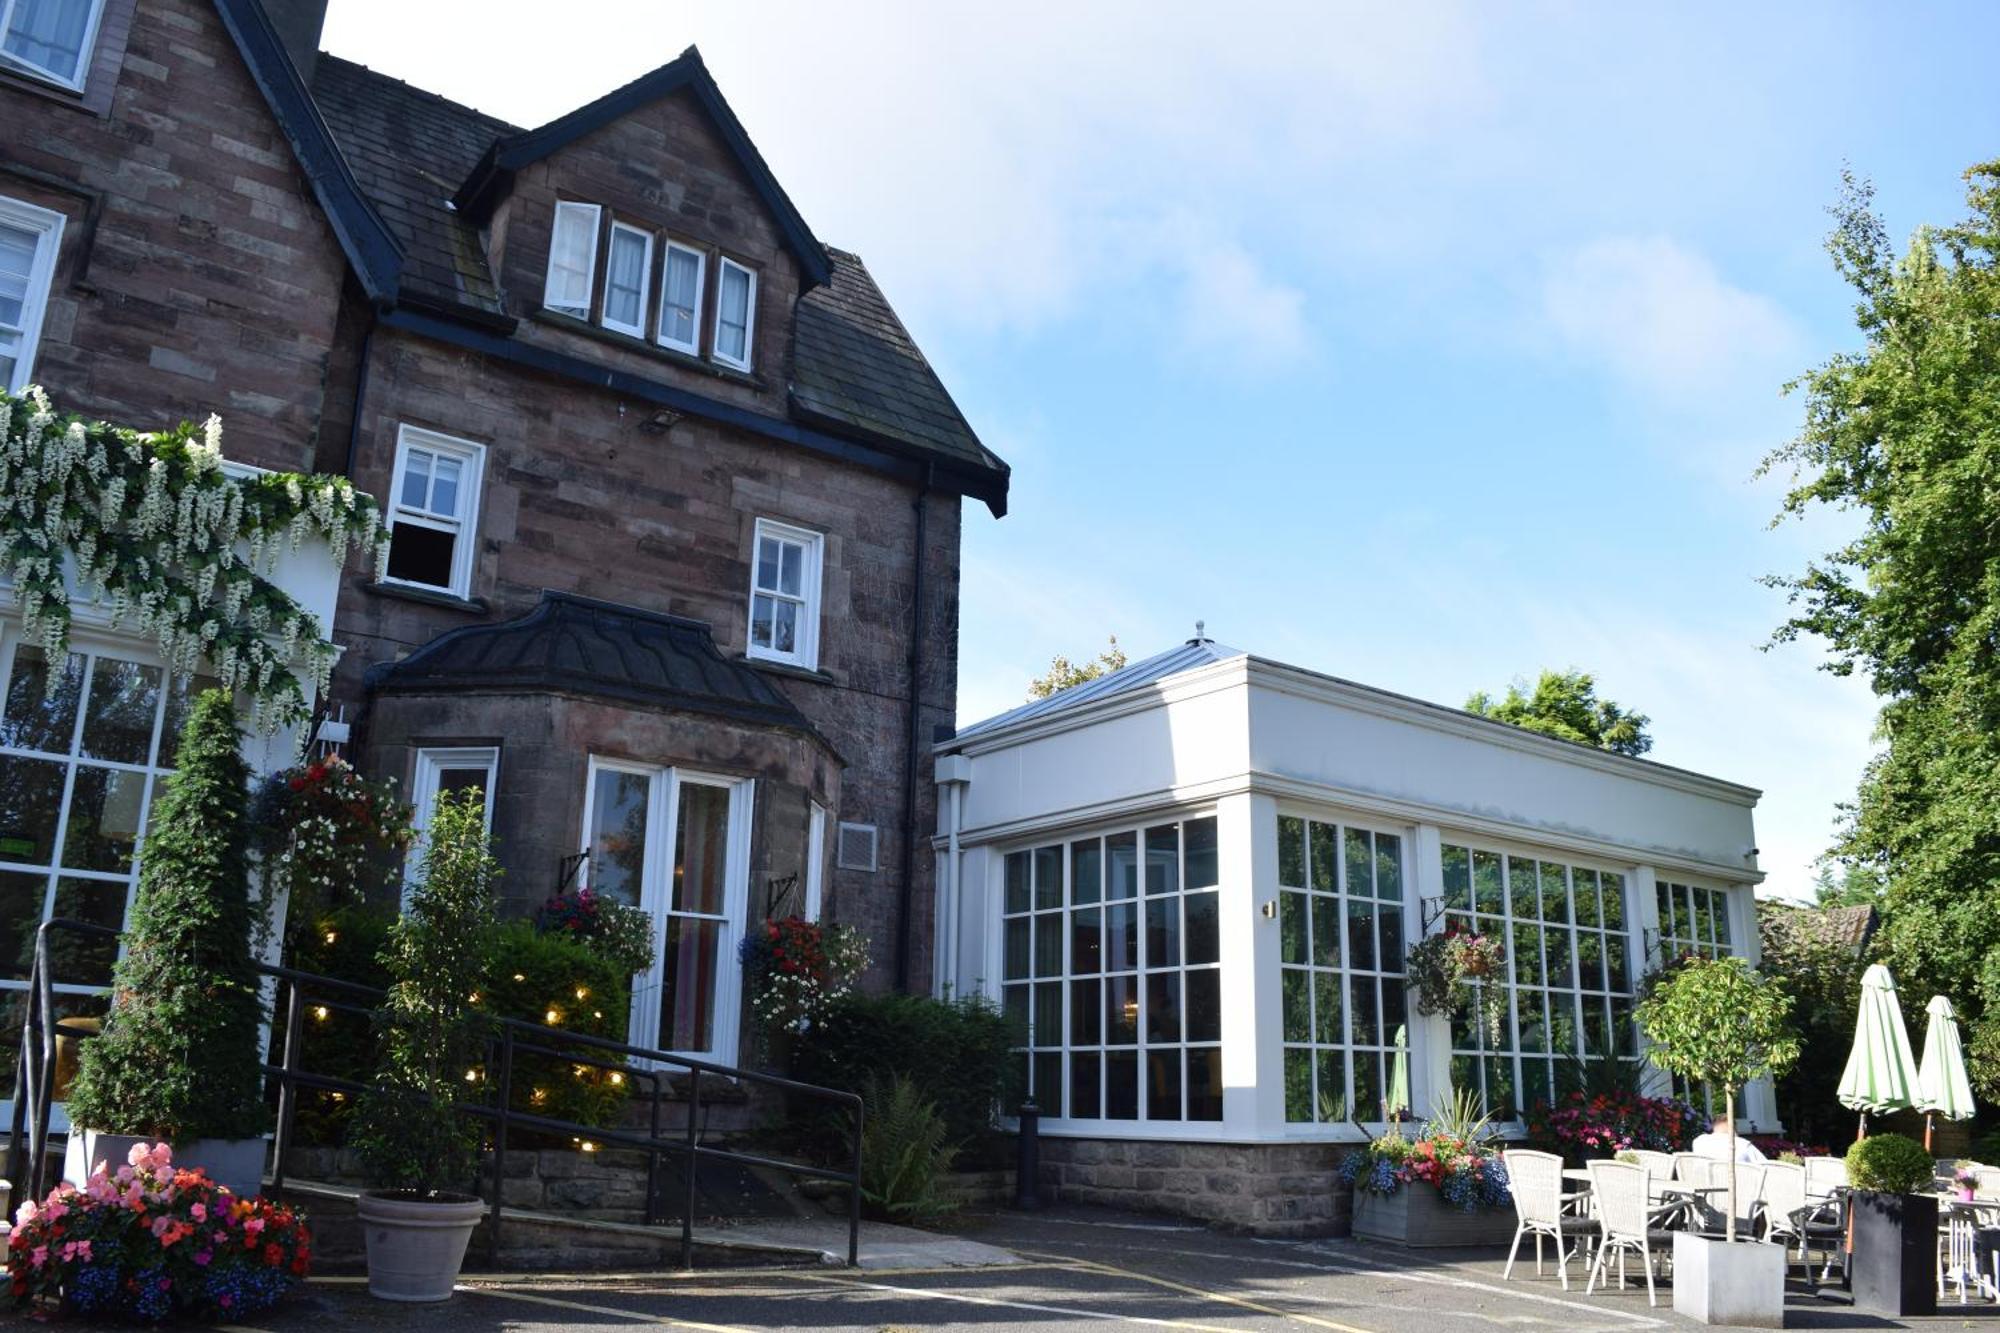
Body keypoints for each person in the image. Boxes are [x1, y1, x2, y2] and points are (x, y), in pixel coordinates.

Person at [1690, 1112, 1767, 1164]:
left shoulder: (1699, 1141)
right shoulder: (1742, 1144)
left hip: (1706, 1186)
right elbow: (1766, 1166)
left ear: (1714, 1127)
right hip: (1738, 1186)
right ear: (1734, 1128)